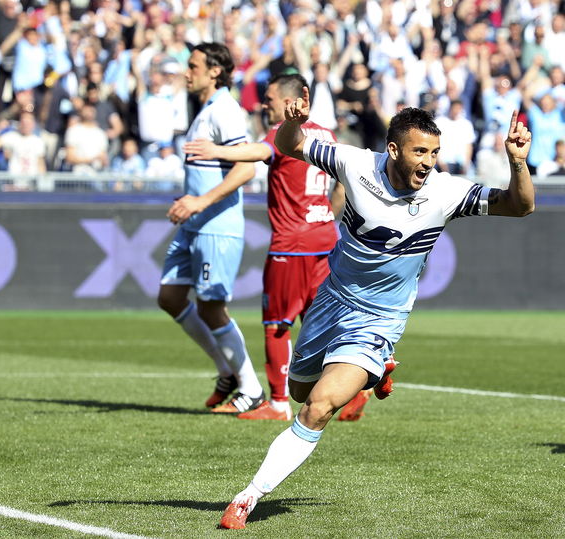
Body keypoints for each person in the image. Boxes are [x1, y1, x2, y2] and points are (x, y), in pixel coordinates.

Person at [218, 94, 534, 529]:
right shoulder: (355, 164)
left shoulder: (446, 191)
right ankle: (376, 372)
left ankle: (248, 497)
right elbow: (290, 146)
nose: (428, 162)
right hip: (331, 301)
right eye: (420, 151)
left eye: (435, 153)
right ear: (393, 150)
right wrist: (293, 123)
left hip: (379, 320)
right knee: (299, 392)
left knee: (319, 407)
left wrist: (518, 163)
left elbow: (521, 206)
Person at [181, 73, 344, 420]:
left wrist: (217, 150)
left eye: (268, 98)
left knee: (277, 325)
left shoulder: (281, 132)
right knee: (320, 322)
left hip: (292, 244)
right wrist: (328, 216)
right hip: (325, 238)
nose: (262, 104)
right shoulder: (327, 135)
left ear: (287, 102)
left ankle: (279, 404)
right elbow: (342, 184)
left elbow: (259, 152)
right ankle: (351, 389)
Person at [159, 42, 264, 414]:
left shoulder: (225, 110)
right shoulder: (204, 110)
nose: (186, 72)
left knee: (212, 307)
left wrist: (200, 201)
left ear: (214, 71)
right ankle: (226, 371)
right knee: (170, 297)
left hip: (216, 225)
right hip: (194, 225)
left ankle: (251, 389)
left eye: (193, 65)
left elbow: (247, 167)